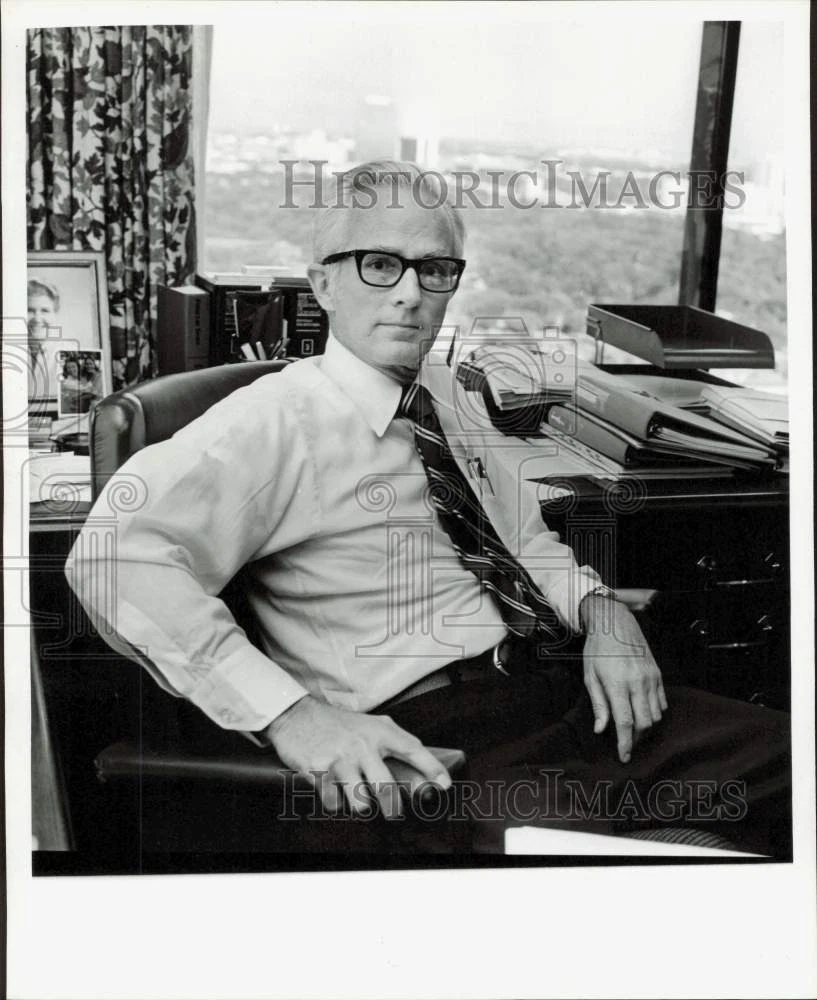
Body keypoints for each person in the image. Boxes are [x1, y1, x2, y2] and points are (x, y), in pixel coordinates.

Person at [65, 161, 790, 855]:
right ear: (324, 282)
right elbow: (111, 558)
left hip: (561, 697)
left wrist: (605, 613)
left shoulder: (446, 394)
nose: (409, 293)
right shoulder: (272, 423)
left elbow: (524, 542)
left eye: (434, 269)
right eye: (379, 264)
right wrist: (290, 715)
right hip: (435, 741)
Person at [27, 278, 60, 403]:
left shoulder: (69, 353)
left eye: (45, 310)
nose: (37, 318)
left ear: (55, 315)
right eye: (30, 310)